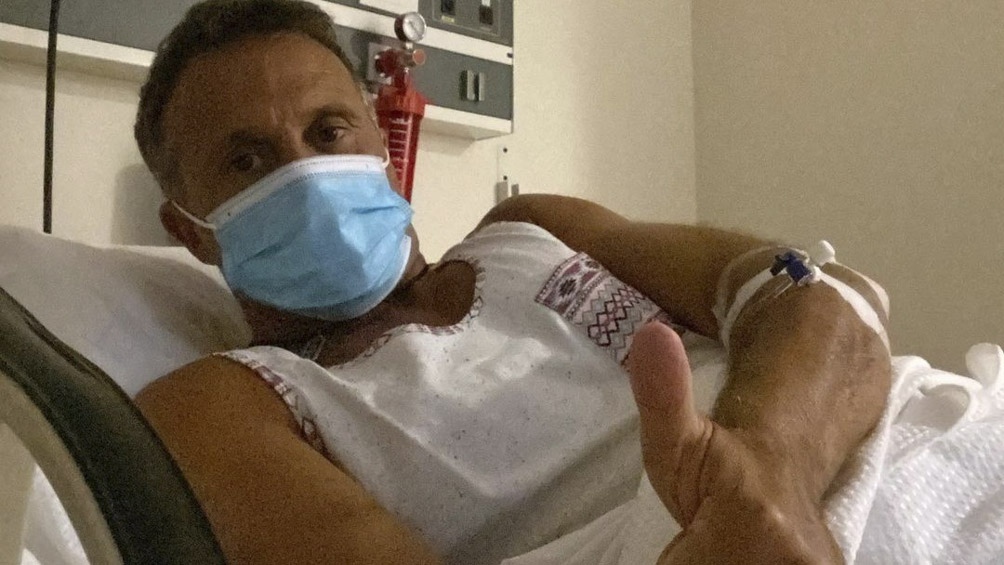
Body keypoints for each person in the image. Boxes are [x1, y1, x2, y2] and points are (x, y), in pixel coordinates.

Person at [131, 1, 892, 563]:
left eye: (329, 132)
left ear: (383, 147)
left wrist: (771, 471)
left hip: (880, 451)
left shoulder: (535, 227)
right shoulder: (221, 403)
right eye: (247, 161)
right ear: (190, 230)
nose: (307, 173)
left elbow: (818, 296)